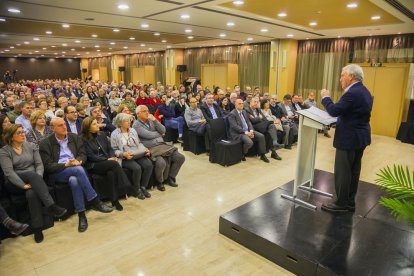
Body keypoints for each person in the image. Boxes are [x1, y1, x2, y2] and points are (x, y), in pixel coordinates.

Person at [39, 117, 113, 233]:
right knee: (78, 170)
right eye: (60, 125)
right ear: (52, 128)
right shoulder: (45, 143)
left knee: (74, 180)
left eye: (64, 124)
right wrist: (66, 165)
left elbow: (82, 154)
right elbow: (48, 166)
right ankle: (95, 200)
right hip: (58, 172)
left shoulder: (74, 137)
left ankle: (81, 215)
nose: (64, 127)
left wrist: (79, 161)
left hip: (75, 168)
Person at [320, 64, 373, 213]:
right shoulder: (365, 91)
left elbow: (334, 110)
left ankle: (340, 203)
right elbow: (355, 114)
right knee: (354, 171)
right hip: (360, 137)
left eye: (342, 75)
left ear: (351, 76)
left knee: (343, 171)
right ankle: (349, 202)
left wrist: (326, 97)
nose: (340, 79)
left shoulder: (352, 93)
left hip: (349, 138)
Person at [0, 124, 67, 242]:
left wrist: (37, 179)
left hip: (34, 180)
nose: (22, 135)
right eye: (19, 133)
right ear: (11, 137)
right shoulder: (4, 151)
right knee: (31, 175)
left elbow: (39, 165)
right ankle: (52, 206)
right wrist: (23, 185)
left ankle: (37, 228)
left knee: (32, 193)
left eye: (23, 132)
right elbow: (9, 173)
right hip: (14, 183)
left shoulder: (31, 145)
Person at [80, 117, 131, 211]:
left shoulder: (102, 134)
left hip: (106, 163)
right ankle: (125, 184)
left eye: (97, 123)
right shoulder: (83, 139)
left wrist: (112, 157)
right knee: (114, 164)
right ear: (88, 127)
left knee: (111, 173)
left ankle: (115, 200)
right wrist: (108, 159)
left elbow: (110, 149)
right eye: (94, 124)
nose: (97, 125)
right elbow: (90, 156)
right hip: (94, 165)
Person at [134, 105, 185, 189]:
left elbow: (163, 130)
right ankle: (159, 181)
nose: (147, 112)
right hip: (151, 148)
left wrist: (155, 120)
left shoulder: (151, 120)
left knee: (180, 158)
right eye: (144, 111)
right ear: (138, 114)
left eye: (148, 110)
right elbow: (148, 135)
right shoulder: (136, 125)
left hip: (162, 145)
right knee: (161, 163)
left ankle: (170, 177)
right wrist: (159, 134)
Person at [110, 113, 153, 199]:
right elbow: (114, 150)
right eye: (126, 121)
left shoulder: (133, 130)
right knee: (137, 168)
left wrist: (145, 149)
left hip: (137, 153)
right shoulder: (115, 134)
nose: (129, 122)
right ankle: (137, 189)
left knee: (149, 165)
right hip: (125, 156)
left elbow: (139, 143)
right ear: (120, 123)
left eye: (129, 120)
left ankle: (143, 187)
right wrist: (123, 154)